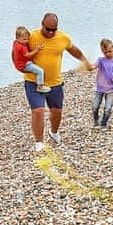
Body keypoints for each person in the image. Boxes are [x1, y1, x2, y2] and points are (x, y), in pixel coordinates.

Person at [25, 13, 89, 153]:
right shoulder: (31, 36)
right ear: (42, 24)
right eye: (48, 29)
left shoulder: (63, 38)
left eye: (53, 30)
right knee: (38, 111)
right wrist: (18, 64)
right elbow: (17, 50)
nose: (50, 32)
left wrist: (85, 61)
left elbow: (73, 50)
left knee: (57, 112)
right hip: (34, 82)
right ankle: (39, 142)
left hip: (55, 83)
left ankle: (53, 132)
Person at [88, 38, 113, 128]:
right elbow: (93, 66)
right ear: (102, 51)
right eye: (105, 52)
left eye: (109, 51)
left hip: (111, 89)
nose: (108, 54)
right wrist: (89, 67)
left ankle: (103, 124)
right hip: (100, 88)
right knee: (95, 106)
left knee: (108, 108)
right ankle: (96, 121)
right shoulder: (100, 60)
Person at [11, 26, 50, 93]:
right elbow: (28, 55)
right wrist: (36, 50)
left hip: (19, 64)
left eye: (28, 39)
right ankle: (40, 87)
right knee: (40, 71)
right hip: (24, 65)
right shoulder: (21, 47)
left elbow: (13, 52)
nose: (26, 41)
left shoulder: (16, 43)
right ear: (17, 38)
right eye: (24, 39)